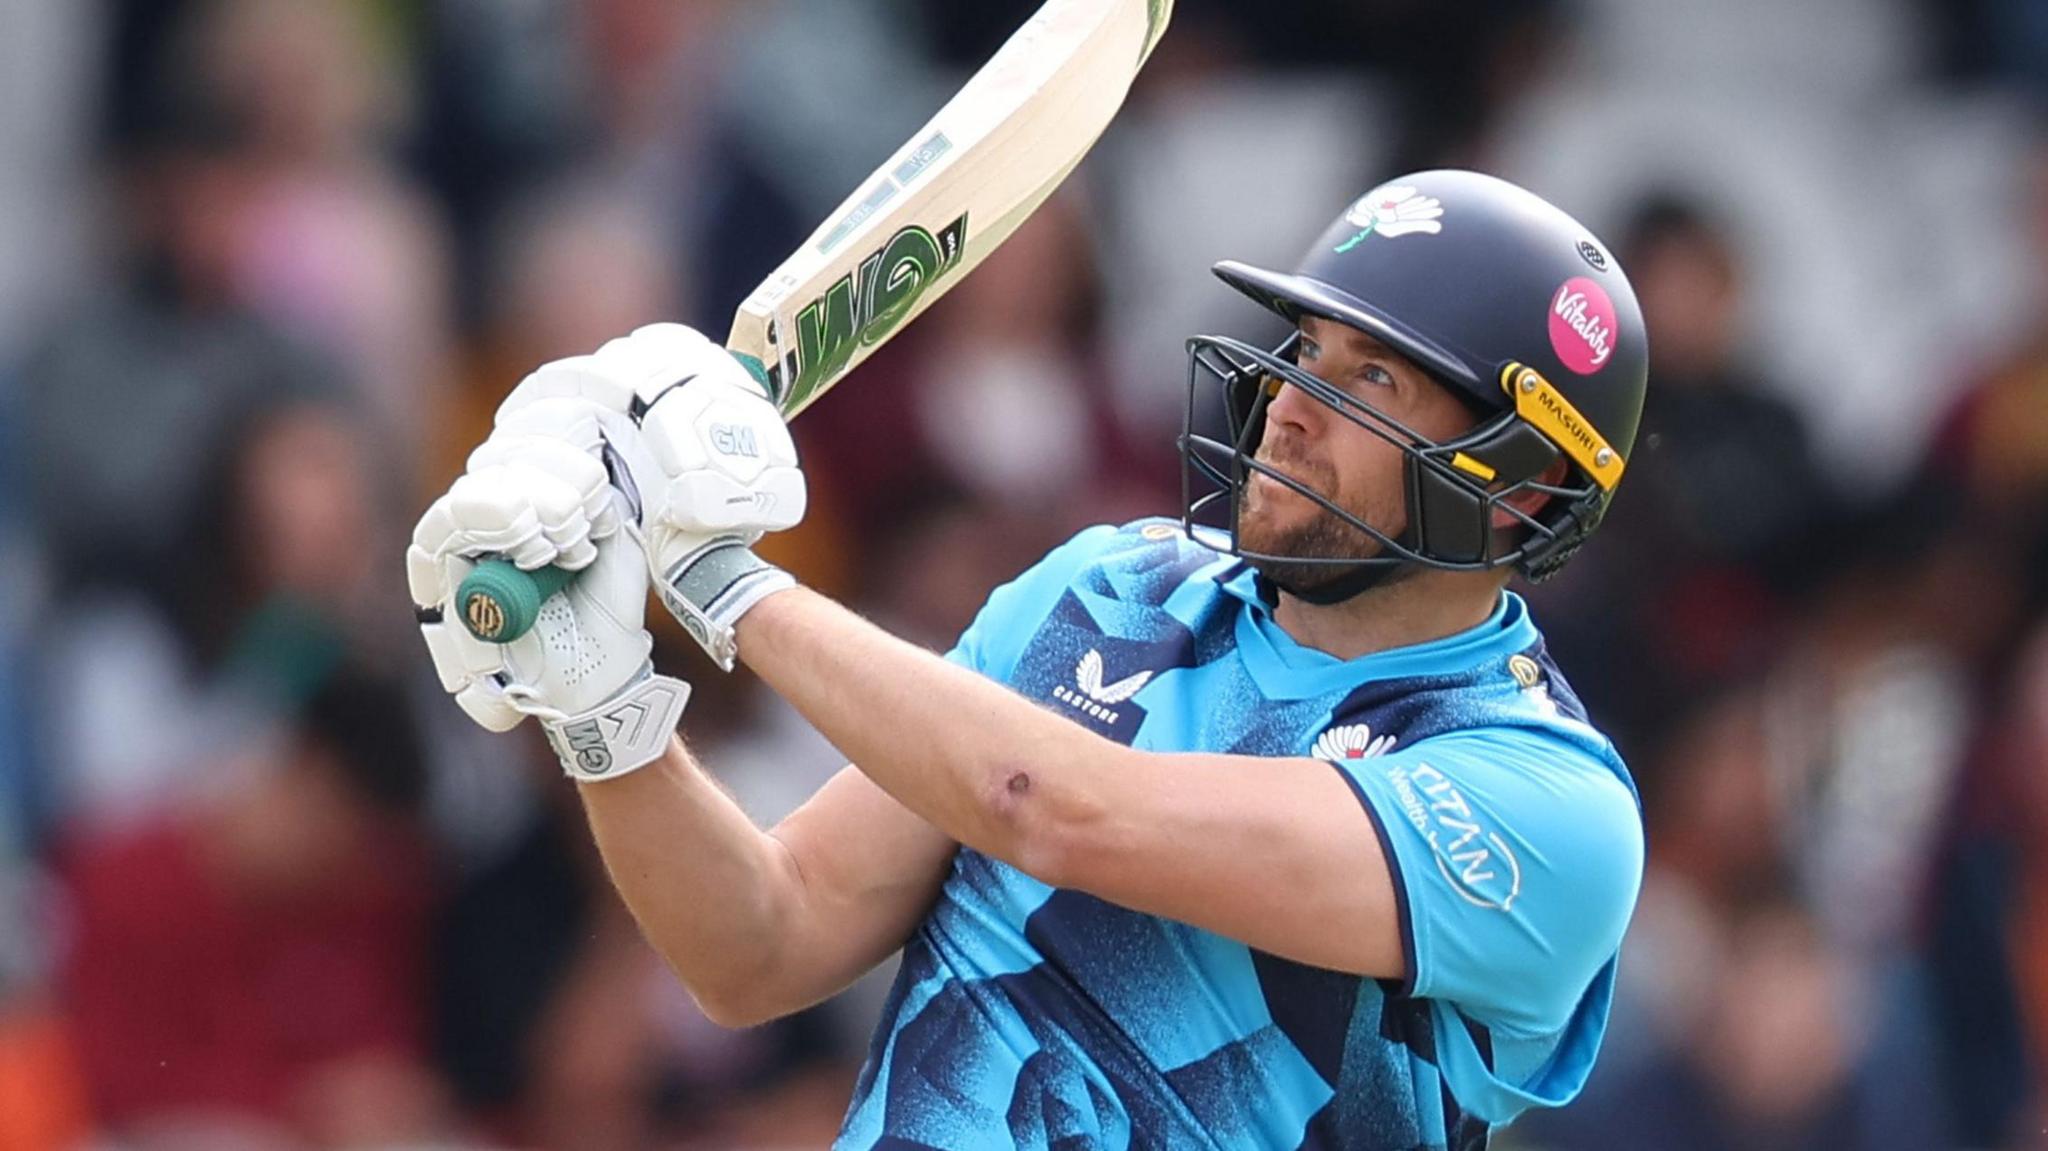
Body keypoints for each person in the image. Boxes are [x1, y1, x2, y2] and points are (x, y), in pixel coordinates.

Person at [408, 169, 1649, 1148]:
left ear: (1521, 488)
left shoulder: (1540, 797)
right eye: (1305, 350)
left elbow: (1056, 808)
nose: (1290, 404)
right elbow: (760, 944)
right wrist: (601, 702)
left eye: (1371, 375)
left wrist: (718, 573)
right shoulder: (1110, 585)